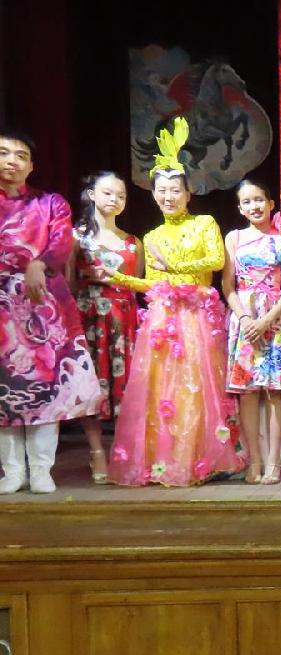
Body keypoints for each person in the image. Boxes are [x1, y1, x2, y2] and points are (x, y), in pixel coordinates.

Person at [107, 118, 245, 486]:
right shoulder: (152, 236)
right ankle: (169, 460)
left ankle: (208, 458)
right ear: (153, 194)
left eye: (175, 190)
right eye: (161, 190)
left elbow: (216, 260)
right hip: (164, 319)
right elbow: (155, 281)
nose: (168, 196)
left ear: (188, 193)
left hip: (197, 314)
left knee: (199, 387)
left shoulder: (204, 223)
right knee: (165, 390)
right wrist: (120, 278)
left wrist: (177, 266)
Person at [0, 128, 103, 494]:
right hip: (2, 309)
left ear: (31, 166)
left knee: (46, 388)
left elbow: (61, 242)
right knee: (6, 391)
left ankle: (42, 468)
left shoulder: (51, 203)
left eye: (20, 155)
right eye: (4, 153)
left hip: (44, 307)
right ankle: (12, 470)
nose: (12, 161)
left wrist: (38, 263)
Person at [222, 178, 281, 486]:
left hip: (276, 319)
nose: (254, 206)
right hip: (245, 321)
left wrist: (267, 319)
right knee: (247, 393)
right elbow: (228, 286)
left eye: (259, 199)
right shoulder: (234, 238)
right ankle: (253, 460)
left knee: (275, 392)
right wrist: (245, 318)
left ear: (271, 204)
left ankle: (273, 462)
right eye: (247, 202)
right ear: (240, 208)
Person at [70, 170, 143, 485]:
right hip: (90, 318)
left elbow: (138, 286)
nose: (115, 199)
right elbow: (68, 283)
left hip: (124, 320)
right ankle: (97, 450)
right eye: (108, 193)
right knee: (92, 385)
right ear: (91, 195)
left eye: (121, 195)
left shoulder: (133, 242)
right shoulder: (77, 237)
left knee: (128, 387)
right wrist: (90, 279)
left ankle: (124, 450)